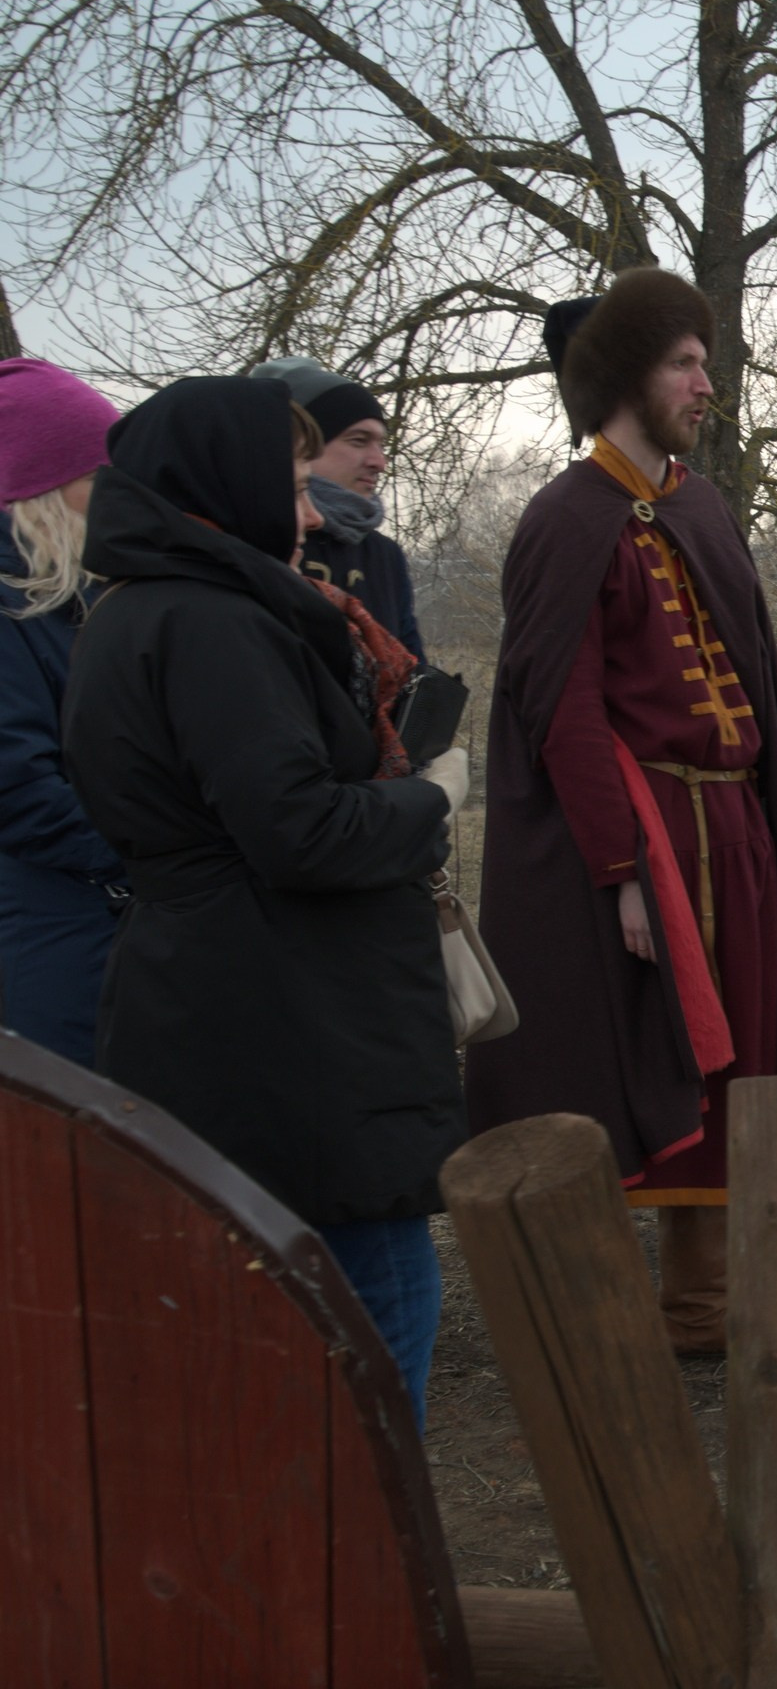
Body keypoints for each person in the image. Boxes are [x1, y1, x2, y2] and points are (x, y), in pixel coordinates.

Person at [58, 377, 471, 1424]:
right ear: (224, 484)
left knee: (264, 1346)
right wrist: (430, 796)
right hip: (292, 1016)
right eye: (290, 484)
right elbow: (301, 833)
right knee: (367, 1316)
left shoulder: (137, 609)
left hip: (231, 997)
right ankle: (373, 1574)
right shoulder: (211, 623)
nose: (305, 512)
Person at [465, 268, 777, 1354]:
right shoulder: (564, 517)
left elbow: (756, 682)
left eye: (705, 362)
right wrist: (621, 867)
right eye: (685, 363)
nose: (705, 384)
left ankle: (703, 1311)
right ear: (629, 372)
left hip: (738, 831)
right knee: (641, 1058)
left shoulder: (699, 504)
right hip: (651, 846)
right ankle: (591, 1317)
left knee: (744, 1066)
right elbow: (561, 712)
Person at [0, 358, 127, 1065]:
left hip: (98, 922)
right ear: (39, 494)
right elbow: (18, 792)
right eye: (97, 482)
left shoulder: (66, 598)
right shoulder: (10, 607)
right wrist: (159, 850)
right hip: (48, 943)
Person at [247, 357, 424, 659]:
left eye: (381, 444)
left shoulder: (383, 556)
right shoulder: (252, 543)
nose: (379, 462)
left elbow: (412, 674)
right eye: (358, 441)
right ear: (300, 446)